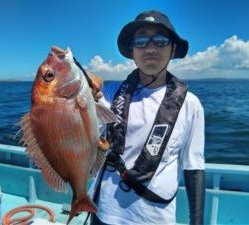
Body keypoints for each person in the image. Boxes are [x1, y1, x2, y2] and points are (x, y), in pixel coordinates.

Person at [88, 10, 205, 225]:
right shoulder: (109, 94)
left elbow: (194, 165)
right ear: (132, 51)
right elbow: (70, 96)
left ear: (173, 48)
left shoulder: (191, 104)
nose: (150, 48)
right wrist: (82, 78)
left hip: (154, 218)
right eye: (141, 40)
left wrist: (197, 221)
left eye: (160, 40)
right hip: (103, 212)